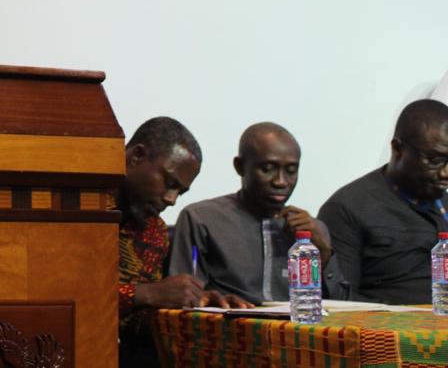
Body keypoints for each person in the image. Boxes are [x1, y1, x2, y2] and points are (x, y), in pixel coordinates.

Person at [118, 117, 249, 367]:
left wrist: (199, 307)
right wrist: (146, 294)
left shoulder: (153, 230)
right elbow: (59, 301)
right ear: (136, 156)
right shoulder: (71, 209)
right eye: (170, 184)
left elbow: (131, 325)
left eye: (180, 191)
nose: (172, 199)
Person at [168, 122, 349, 303]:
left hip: (294, 321)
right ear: (240, 166)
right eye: (267, 169)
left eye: (291, 171)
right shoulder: (201, 219)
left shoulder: (311, 231)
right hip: (230, 319)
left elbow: (341, 306)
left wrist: (324, 254)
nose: (280, 181)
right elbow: (183, 298)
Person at [319, 99, 448, 303]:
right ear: (398, 148)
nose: (445, 173)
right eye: (435, 161)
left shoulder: (443, 202)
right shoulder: (347, 208)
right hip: (387, 321)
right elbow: (340, 303)